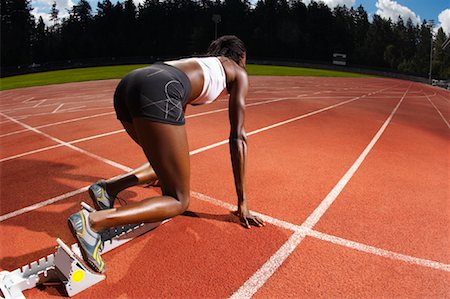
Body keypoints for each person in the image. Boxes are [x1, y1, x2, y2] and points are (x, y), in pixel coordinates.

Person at [68, 35, 265, 274]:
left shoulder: (200, 64)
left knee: (165, 164)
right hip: (160, 89)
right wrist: (242, 202)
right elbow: (238, 137)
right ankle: (93, 224)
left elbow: (176, 107)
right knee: (178, 199)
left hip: (130, 83)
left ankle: (107, 189)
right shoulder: (238, 73)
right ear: (242, 57)